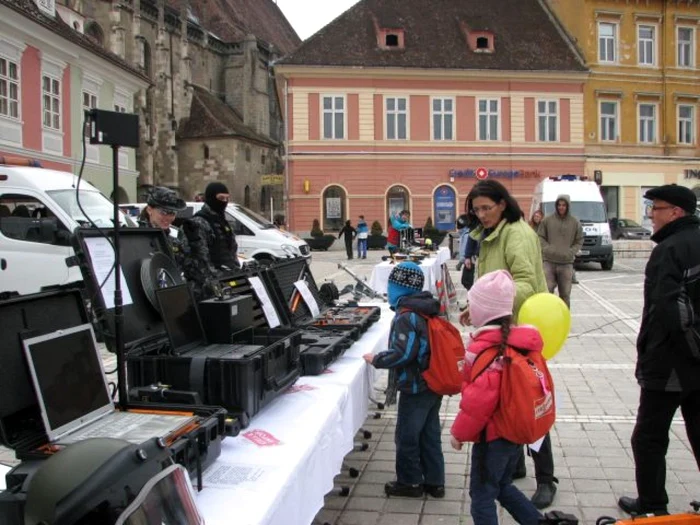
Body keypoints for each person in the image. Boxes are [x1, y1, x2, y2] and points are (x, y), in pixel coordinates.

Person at [459, 180, 557, 509]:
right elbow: (489, 280)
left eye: (487, 207)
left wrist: (493, 306)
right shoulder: (491, 233)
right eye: (477, 209)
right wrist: (476, 307)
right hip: (500, 329)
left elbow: (526, 281)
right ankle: (513, 464)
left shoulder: (516, 233)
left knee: (527, 399)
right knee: (507, 403)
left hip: (518, 329)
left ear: (503, 204)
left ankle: (546, 479)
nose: (482, 214)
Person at [618, 184, 700, 517]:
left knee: (648, 438)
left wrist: (693, 349)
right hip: (692, 363)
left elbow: (671, 310)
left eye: (657, 208)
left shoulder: (669, 248)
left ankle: (653, 506)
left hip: (670, 363)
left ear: (676, 212)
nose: (651, 215)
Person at [451, 270, 544, 525]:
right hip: (513, 433)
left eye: (473, 303)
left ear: (482, 311)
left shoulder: (483, 348)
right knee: (502, 485)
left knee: (481, 495)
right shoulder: (515, 340)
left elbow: (477, 403)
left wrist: (459, 433)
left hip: (492, 438)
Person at [363, 261, 445, 499]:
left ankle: (409, 482)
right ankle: (434, 481)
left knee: (407, 436)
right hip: (432, 382)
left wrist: (377, 359)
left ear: (399, 288)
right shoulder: (426, 307)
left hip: (416, 386)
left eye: (391, 286)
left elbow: (403, 353)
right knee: (429, 434)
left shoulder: (406, 317)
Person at [537, 195, 583, 309]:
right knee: (547, 292)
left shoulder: (575, 222)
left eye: (564, 205)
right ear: (556, 206)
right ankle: (547, 316)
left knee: (565, 294)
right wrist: (547, 248)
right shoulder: (547, 220)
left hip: (566, 263)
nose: (561, 207)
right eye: (559, 205)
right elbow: (540, 237)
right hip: (549, 262)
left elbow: (579, 240)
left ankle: (565, 318)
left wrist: (571, 251)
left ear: (568, 206)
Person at [187, 182, 240, 275]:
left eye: (227, 198)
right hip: (208, 283)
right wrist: (218, 277)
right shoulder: (198, 223)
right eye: (221, 198)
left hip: (227, 278)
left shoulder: (223, 222)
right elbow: (200, 259)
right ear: (211, 197)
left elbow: (231, 252)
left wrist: (236, 272)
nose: (224, 202)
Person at [455, 213, 479, 290]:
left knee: (467, 281)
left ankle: (471, 297)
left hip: (469, 261)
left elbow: (464, 250)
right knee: (467, 281)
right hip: (469, 260)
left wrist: (461, 262)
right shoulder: (466, 233)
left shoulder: (466, 235)